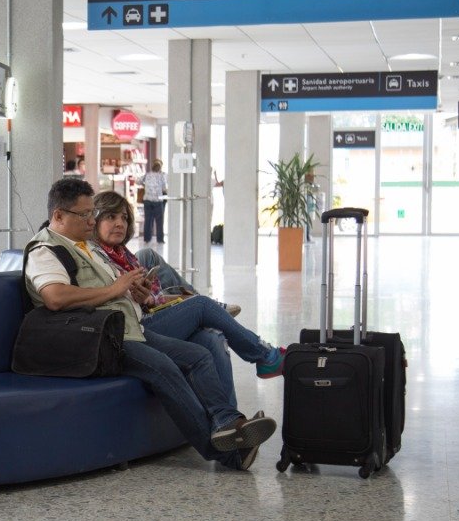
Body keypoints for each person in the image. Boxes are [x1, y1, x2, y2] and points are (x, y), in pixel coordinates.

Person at [23, 178, 275, 471]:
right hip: (101, 339)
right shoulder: (45, 250)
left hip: (128, 329)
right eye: (85, 215)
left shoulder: (84, 247)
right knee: (166, 369)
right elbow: (54, 297)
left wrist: (134, 296)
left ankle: (227, 422)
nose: (91, 220)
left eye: (92, 213)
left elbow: (110, 291)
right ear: (59, 216)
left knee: (200, 355)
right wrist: (115, 290)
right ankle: (228, 453)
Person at [91, 191, 286, 390]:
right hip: (134, 330)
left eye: (124, 217)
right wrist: (146, 299)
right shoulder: (95, 257)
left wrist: (148, 298)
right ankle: (265, 354)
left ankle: (231, 418)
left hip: (147, 316)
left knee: (213, 338)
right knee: (201, 305)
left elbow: (139, 299)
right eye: (111, 217)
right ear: (94, 221)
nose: (120, 223)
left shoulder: (123, 254)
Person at [140, 159, 167, 247]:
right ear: (159, 168)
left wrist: (145, 185)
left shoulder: (147, 175)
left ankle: (147, 239)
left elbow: (138, 181)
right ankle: (160, 239)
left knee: (148, 220)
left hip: (147, 200)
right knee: (159, 221)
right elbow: (164, 188)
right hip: (157, 201)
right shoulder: (162, 176)